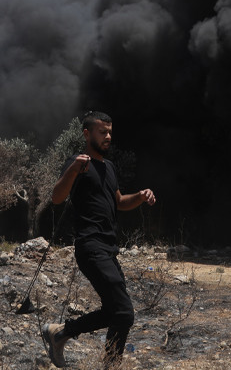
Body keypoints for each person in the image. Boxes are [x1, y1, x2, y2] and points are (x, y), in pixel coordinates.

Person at [43, 111, 156, 368]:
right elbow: (57, 197)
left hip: (108, 248)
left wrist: (139, 196)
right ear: (87, 134)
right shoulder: (77, 162)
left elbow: (118, 202)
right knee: (125, 312)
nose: (108, 137)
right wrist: (72, 170)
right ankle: (110, 365)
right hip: (90, 246)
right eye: (102, 132)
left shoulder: (109, 167)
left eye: (110, 132)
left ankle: (59, 333)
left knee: (114, 311)